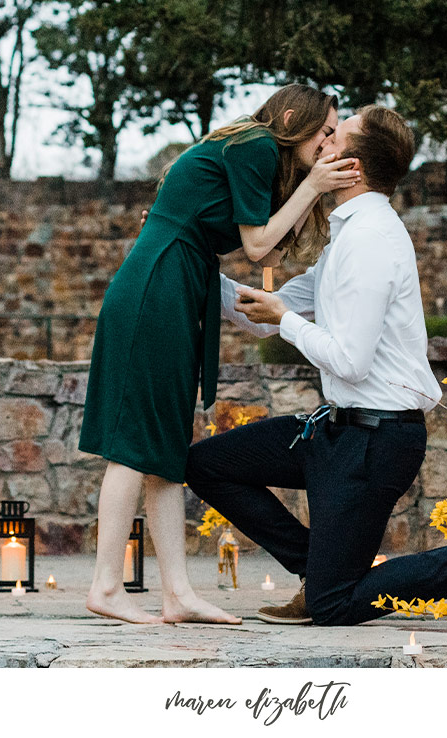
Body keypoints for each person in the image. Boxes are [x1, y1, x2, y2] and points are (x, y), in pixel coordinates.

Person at [186, 106, 447, 626]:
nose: (319, 144)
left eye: (331, 138)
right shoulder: (348, 234)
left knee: (333, 606)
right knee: (207, 465)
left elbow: (349, 358)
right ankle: (315, 567)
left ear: (351, 166)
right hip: (334, 432)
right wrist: (184, 254)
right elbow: (262, 316)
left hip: (376, 442)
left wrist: (285, 318)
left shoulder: (370, 241)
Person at [79, 85, 361, 625]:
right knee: (136, 444)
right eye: (326, 132)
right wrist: (317, 184)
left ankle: (177, 594)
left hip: (175, 284)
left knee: (163, 449)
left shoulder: (259, 157)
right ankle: (106, 586)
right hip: (158, 285)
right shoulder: (255, 143)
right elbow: (256, 247)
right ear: (289, 118)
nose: (330, 143)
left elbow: (273, 250)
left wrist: (310, 186)